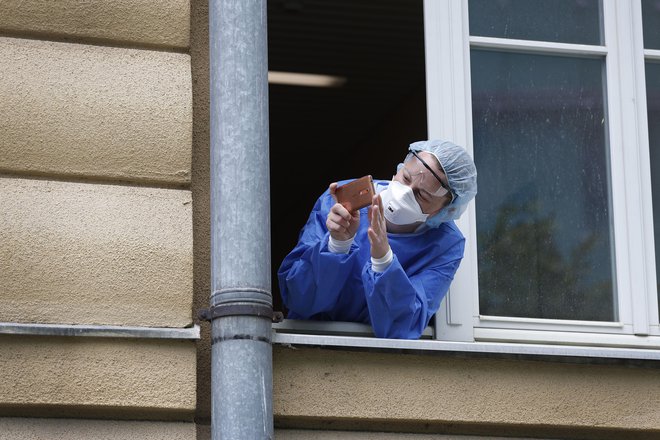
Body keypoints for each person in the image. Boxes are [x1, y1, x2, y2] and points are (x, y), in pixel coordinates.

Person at [277, 139, 478, 339]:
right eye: (406, 178)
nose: (404, 193)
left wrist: (384, 260)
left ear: (446, 211)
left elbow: (402, 327)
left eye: (422, 195)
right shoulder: (346, 198)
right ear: (400, 167)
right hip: (307, 341)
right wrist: (337, 244)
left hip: (372, 359)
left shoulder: (445, 245)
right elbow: (297, 298)